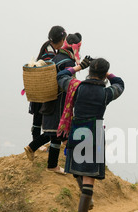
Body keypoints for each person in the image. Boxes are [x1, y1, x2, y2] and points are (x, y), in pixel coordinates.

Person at [56, 58, 124, 212]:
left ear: (88, 72)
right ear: (104, 77)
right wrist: (107, 72)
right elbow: (120, 84)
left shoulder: (76, 88)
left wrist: (79, 66)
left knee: (77, 168)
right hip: (95, 132)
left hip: (77, 129)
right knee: (89, 177)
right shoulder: (106, 93)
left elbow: (61, 75)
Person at [24, 32, 85, 174]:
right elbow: (67, 83)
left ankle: (47, 160)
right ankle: (42, 156)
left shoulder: (56, 57)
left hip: (50, 99)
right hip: (60, 101)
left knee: (55, 132)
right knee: (55, 131)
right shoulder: (68, 62)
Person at [27, 26, 66, 143]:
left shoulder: (49, 48)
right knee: (39, 118)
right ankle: (34, 144)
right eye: (63, 40)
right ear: (60, 40)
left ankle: (35, 143)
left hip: (39, 88)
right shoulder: (50, 54)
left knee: (38, 118)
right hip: (43, 88)